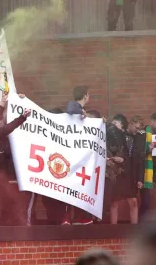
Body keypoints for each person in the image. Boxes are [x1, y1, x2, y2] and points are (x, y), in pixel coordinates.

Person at [65, 86, 93, 225]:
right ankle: (68, 218)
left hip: (80, 157)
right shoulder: (74, 105)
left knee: (81, 188)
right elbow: (70, 109)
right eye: (88, 94)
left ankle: (80, 217)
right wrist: (80, 111)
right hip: (73, 156)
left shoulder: (83, 112)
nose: (89, 97)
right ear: (85, 95)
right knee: (71, 188)